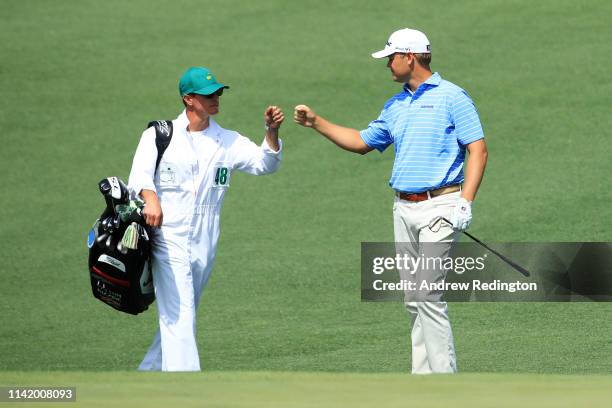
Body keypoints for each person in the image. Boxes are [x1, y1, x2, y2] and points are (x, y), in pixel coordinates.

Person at [294, 28, 488, 374]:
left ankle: (447, 382)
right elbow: (361, 142)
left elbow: (478, 149)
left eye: (390, 58)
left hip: (441, 205)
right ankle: (422, 378)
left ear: (409, 57)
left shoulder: (453, 97)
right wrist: (316, 123)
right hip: (403, 208)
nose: (387, 65)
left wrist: (466, 201)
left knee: (427, 294)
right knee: (413, 299)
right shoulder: (396, 104)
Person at [128, 66, 284, 371]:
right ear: (188, 99)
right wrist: (152, 200)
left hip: (206, 237)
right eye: (208, 94)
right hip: (167, 234)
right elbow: (139, 177)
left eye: (218, 92)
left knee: (183, 311)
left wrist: (271, 132)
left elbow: (265, 164)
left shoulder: (227, 140)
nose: (216, 98)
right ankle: (186, 386)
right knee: (181, 310)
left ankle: (147, 373)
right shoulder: (160, 135)